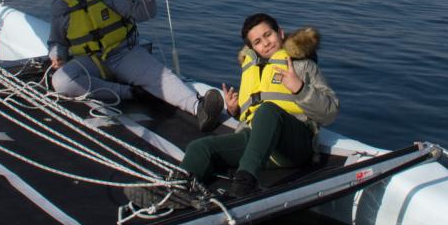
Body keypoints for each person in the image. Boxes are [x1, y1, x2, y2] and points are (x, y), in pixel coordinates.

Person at [125, 12, 338, 208]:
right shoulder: (253, 68)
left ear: (280, 33)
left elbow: (330, 112)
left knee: (267, 110)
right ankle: (177, 190)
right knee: (201, 147)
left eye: (268, 35)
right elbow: (254, 113)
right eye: (257, 41)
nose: (265, 43)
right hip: (260, 145)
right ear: (252, 47)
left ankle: (244, 184)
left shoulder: (303, 66)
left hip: (294, 145)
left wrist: (299, 88)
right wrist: (235, 110)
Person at [48, 0, 223, 129]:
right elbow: (57, 41)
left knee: (161, 77)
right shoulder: (61, 6)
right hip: (90, 62)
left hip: (123, 54)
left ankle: (199, 108)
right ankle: (129, 92)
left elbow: (146, 12)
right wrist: (57, 56)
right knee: (61, 81)